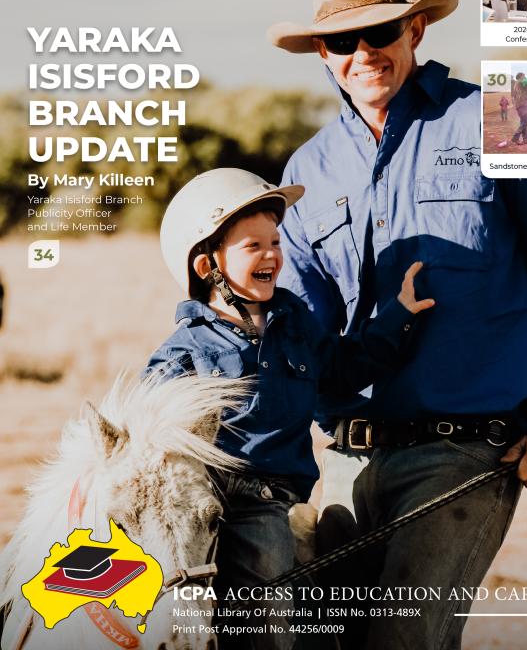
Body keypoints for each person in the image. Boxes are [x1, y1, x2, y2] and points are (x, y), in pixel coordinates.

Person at [268, 0, 527, 650]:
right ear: (323, 54)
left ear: (416, 30)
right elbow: (299, 339)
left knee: (402, 641)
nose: (364, 51)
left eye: (381, 31)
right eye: (344, 39)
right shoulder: (305, 169)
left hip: (466, 455)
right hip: (344, 456)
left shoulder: (520, 112)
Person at [144, 167, 432, 649]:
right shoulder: (181, 351)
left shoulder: (295, 322)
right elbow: (150, 443)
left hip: (267, 499)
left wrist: (398, 317)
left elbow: (343, 367)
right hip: (204, 500)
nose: (271, 255)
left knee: (276, 604)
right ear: (206, 268)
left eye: (274, 243)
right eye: (252, 246)